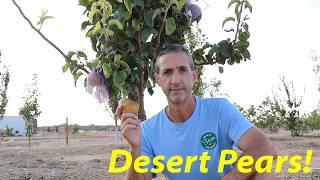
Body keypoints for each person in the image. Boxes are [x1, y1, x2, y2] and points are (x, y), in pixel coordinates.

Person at [116, 44, 277, 180]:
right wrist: (135, 148)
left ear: (194, 76)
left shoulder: (220, 110)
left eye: (182, 70)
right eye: (167, 72)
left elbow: (264, 149)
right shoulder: (148, 130)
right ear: (157, 80)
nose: (176, 80)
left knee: (264, 170)